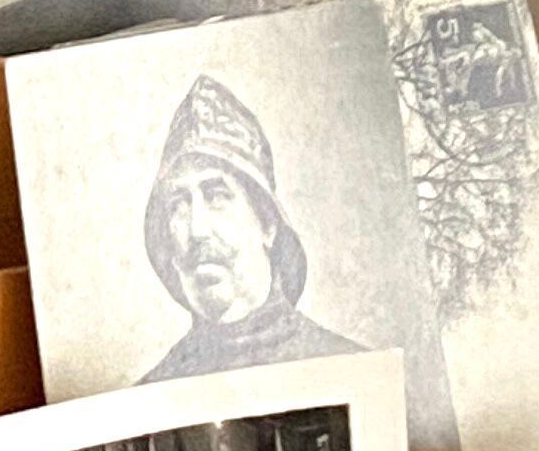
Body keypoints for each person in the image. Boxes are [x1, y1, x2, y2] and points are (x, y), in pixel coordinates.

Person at [142, 77, 371, 381]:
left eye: (217, 196)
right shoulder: (151, 395)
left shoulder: (355, 373)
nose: (197, 230)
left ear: (267, 224)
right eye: (179, 205)